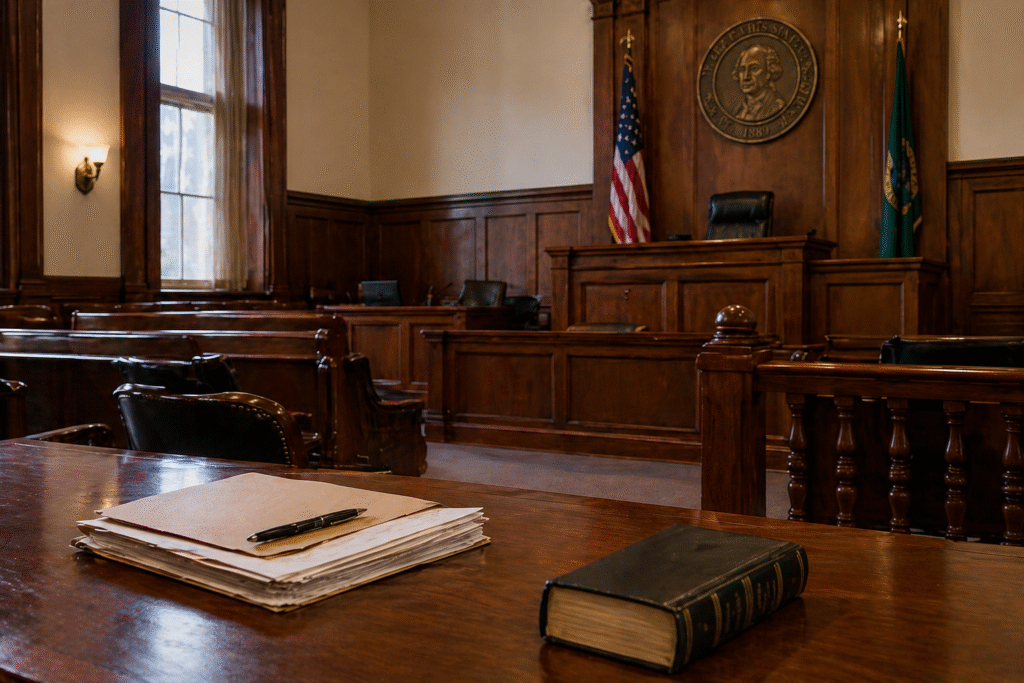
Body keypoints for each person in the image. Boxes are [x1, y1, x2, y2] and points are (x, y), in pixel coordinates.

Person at [732, 44, 785, 122]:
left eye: (754, 68)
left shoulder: (778, 107)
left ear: (769, 72)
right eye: (742, 70)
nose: (746, 77)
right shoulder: (738, 111)